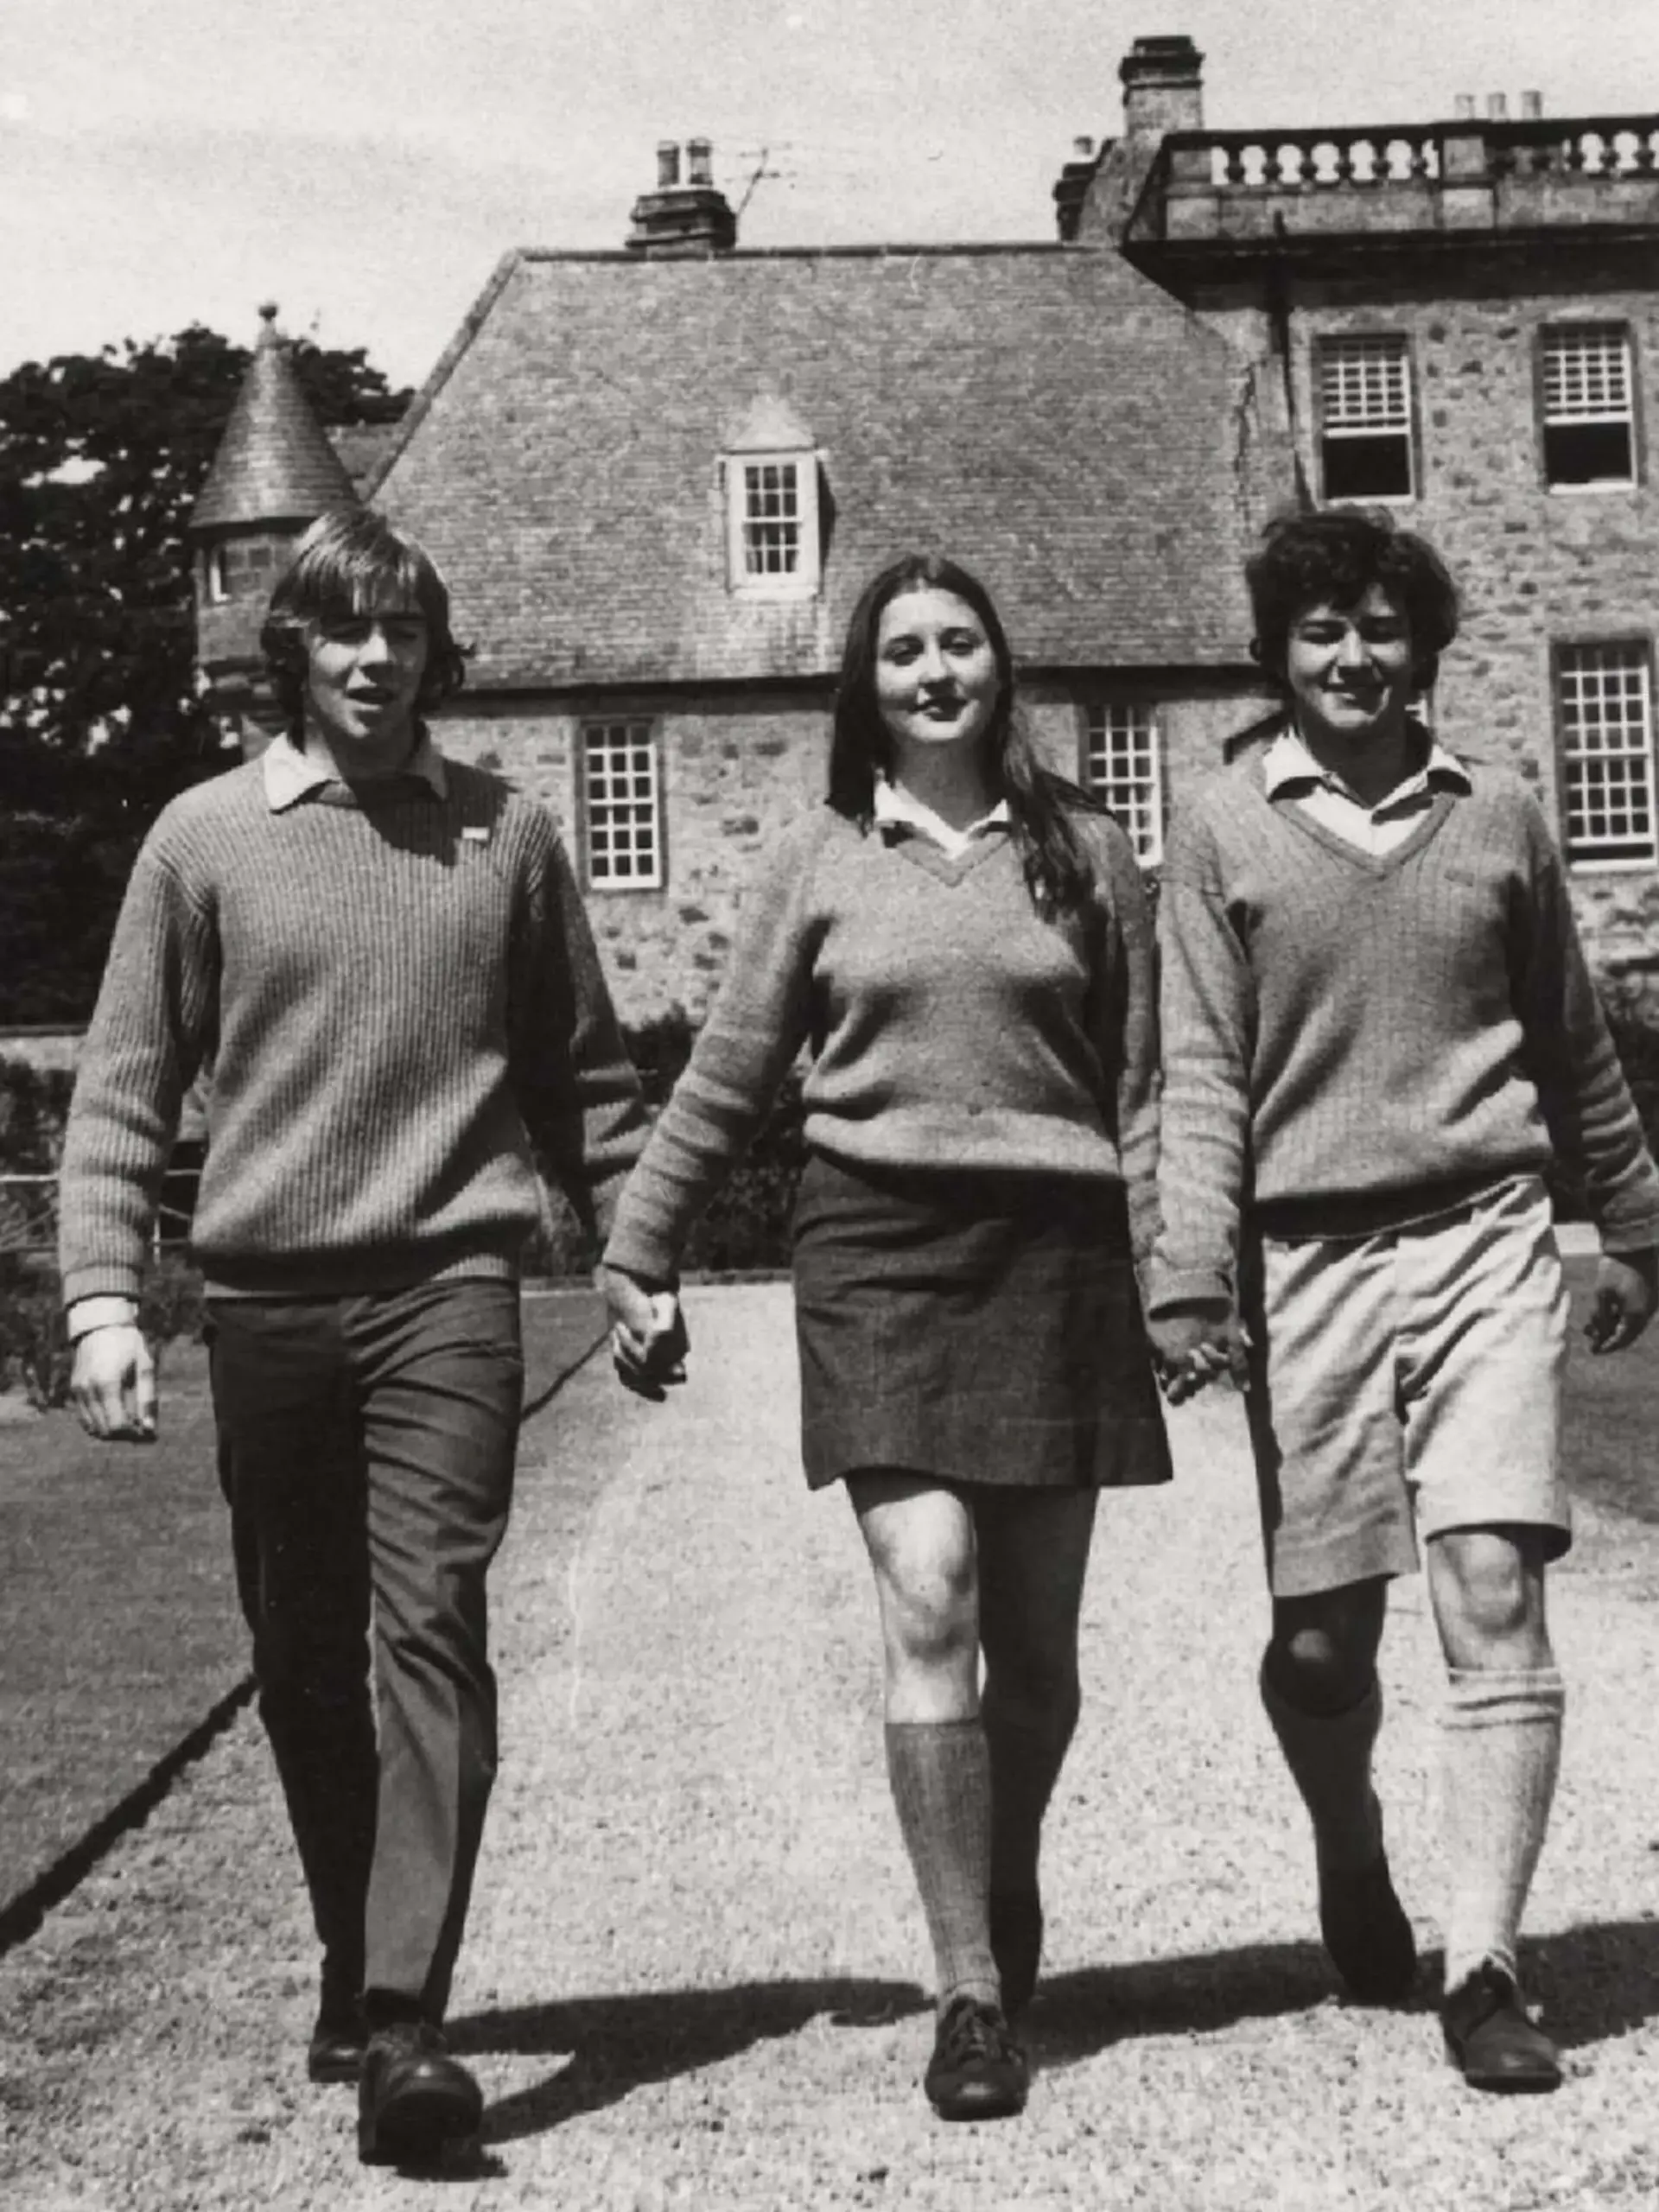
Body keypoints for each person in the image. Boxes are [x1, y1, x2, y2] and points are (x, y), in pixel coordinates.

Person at [58, 508, 649, 2165]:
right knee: (302, 1660)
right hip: (265, 1308)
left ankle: (405, 2023)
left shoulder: (506, 838)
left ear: (433, 654)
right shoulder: (200, 843)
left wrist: (636, 1246)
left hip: (450, 1291)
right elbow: (121, 1088)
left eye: (404, 633)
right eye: (344, 633)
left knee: (433, 1627)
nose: (378, 659)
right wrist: (106, 1296)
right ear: (295, 656)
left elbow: (586, 1077)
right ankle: (352, 1949)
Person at [600, 551, 1171, 2121]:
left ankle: (1002, 1869)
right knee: (932, 1590)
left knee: (1038, 1661)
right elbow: (727, 1068)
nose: (934, 671)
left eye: (960, 643)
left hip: (1055, 1254)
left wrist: (1180, 1274)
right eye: (903, 649)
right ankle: (970, 1991)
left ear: (1002, 668)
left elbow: (1146, 1090)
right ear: (866, 686)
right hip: (877, 1249)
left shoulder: (1092, 857)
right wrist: (639, 1240)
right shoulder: (817, 856)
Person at [1147, 507, 1659, 2094]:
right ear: (1278, 657)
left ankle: (1485, 1962)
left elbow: (1571, 1039)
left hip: (1489, 1237)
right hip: (1307, 1265)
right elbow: (1202, 1073)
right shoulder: (1223, 826)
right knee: (1321, 1648)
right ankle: (1349, 1846)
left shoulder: (1500, 814)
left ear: (1425, 648)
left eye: (1380, 628)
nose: (1352, 656)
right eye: (1321, 632)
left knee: (1495, 1584)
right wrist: (1184, 1273)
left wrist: (1630, 1216)